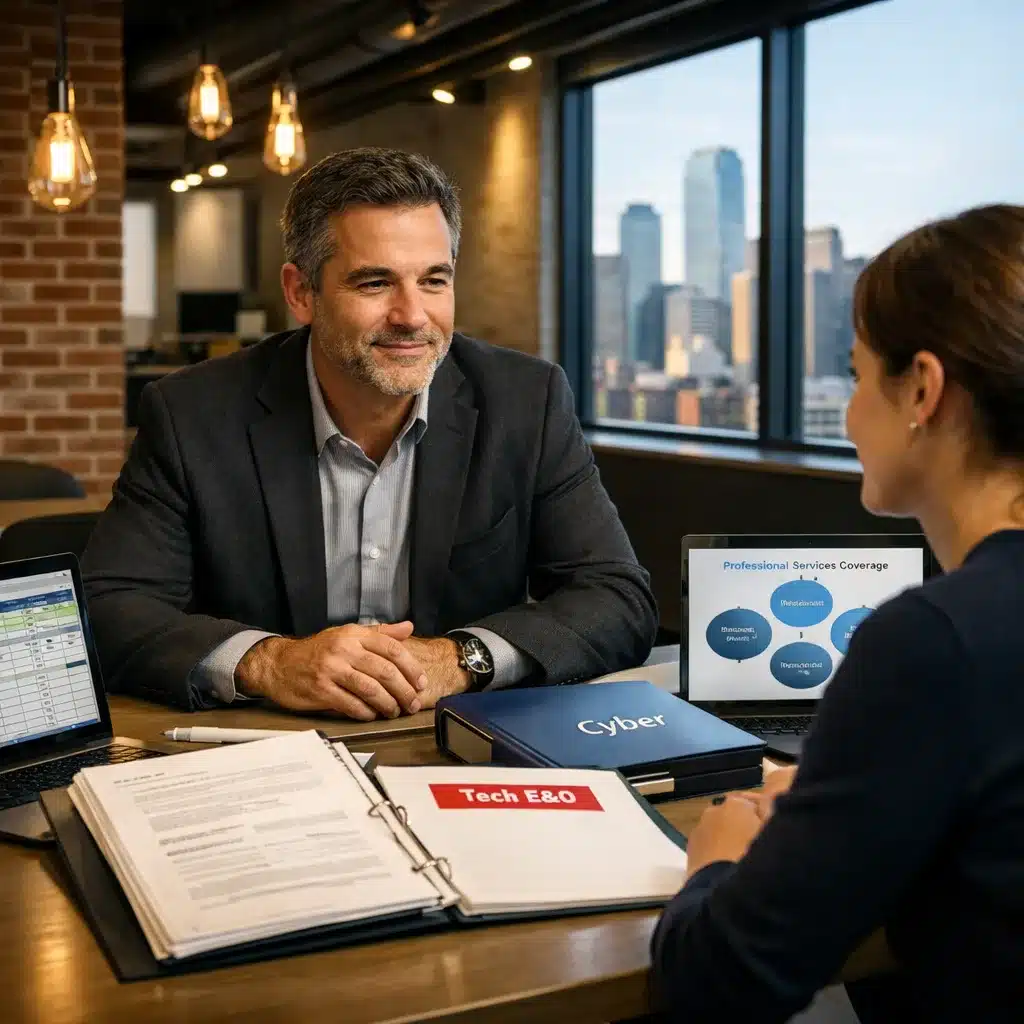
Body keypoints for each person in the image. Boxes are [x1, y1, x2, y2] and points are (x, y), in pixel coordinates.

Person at [81, 147, 657, 716]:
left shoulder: (526, 402)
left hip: (454, 742)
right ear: (301, 292)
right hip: (264, 748)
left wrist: (460, 659)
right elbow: (108, 606)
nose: (411, 315)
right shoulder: (191, 413)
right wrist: (271, 662)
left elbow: (616, 597)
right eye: (375, 283)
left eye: (434, 280)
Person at [650, 204, 1024, 1022]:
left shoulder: (935, 642)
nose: (851, 412)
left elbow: (722, 980)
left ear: (923, 389)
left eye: (856, 376)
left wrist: (715, 861)